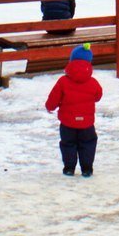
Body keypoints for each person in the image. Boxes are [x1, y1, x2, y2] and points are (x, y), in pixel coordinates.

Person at [45, 44, 103, 177]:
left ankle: (69, 168)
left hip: (67, 123)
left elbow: (53, 98)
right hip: (87, 124)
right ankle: (87, 168)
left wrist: (50, 106)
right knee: (88, 144)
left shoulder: (63, 81)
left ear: (71, 61)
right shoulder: (93, 82)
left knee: (68, 144)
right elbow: (98, 96)